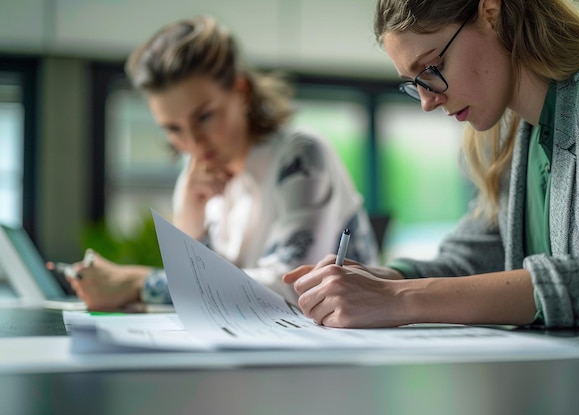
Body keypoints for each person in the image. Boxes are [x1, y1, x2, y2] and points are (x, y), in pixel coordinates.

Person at [283, 0, 579, 328]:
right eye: (413, 84)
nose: (427, 102)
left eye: (432, 69)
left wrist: (398, 298)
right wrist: (386, 277)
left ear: (491, 14)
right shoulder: (506, 137)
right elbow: (476, 261)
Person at [65, 15, 378, 311]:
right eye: (173, 129)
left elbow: (294, 285)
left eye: (204, 116)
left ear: (240, 91)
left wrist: (141, 284)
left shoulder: (302, 155)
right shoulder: (199, 183)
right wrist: (190, 214)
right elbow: (201, 297)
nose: (194, 144)